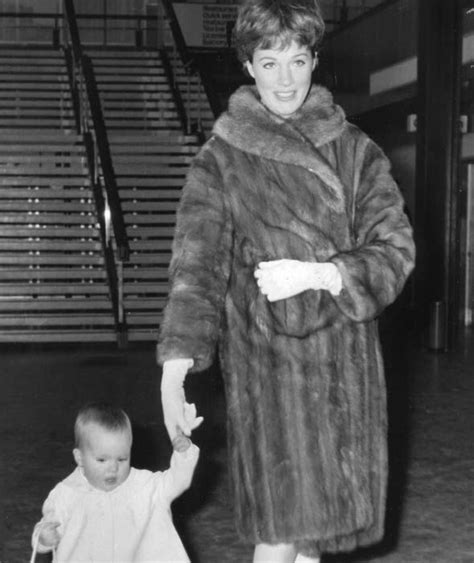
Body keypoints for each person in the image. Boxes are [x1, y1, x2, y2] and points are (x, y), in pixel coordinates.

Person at [157, 0, 416, 561]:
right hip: (269, 376)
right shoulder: (222, 158)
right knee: (278, 535)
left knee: (313, 541)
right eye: (269, 62)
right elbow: (196, 268)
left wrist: (326, 274)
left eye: (297, 60)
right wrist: (175, 371)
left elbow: (396, 249)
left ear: (315, 61)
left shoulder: (355, 151)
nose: (285, 79)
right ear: (248, 66)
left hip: (346, 375)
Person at [31, 402, 199, 563]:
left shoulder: (145, 486)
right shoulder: (67, 494)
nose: (113, 468)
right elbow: (47, 526)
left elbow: (176, 481)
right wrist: (45, 538)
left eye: (122, 459)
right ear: (79, 457)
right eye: (102, 460)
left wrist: (183, 455)